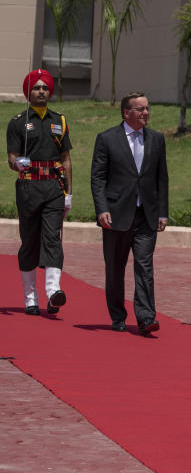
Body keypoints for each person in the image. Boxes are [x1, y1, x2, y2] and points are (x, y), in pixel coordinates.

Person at [90, 92, 168, 334]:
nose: (146, 113)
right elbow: (98, 178)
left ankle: (146, 318)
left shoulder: (156, 139)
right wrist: (101, 208)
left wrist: (162, 212)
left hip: (146, 216)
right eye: (140, 109)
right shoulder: (107, 139)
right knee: (115, 268)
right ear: (127, 112)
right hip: (115, 216)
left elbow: (161, 178)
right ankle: (117, 315)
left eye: (147, 108)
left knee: (145, 267)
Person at [8, 69, 72, 316]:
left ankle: (54, 291)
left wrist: (67, 192)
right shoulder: (17, 122)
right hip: (28, 187)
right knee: (30, 240)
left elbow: (66, 159)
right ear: (29, 92)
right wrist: (17, 164)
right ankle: (30, 297)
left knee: (53, 238)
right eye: (37, 87)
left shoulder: (60, 121)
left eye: (45, 88)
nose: (42, 91)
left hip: (53, 188)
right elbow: (11, 159)